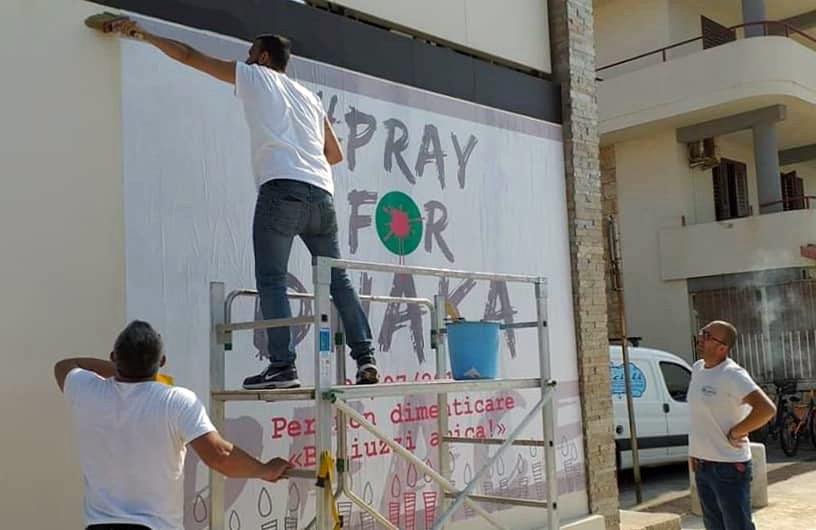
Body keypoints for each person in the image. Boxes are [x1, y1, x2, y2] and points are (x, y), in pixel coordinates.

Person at [105, 18, 379, 389]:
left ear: (264, 57)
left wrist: (142, 34)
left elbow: (189, 55)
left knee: (272, 280)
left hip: (281, 190)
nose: (246, 61)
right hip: (322, 195)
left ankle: (283, 367)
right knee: (337, 281)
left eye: (250, 55)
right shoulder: (310, 98)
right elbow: (334, 153)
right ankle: (366, 358)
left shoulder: (256, 77)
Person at [55, 321, 292, 530]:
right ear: (162, 362)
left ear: (114, 357)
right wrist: (264, 469)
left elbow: (66, 364)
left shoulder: (86, 390)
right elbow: (220, 456)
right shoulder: (176, 400)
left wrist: (120, 369)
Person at [688, 320, 776, 530]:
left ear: (722, 348)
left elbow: (766, 409)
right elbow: (700, 417)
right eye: (703, 332)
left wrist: (737, 431)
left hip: (728, 468)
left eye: (708, 336)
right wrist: (695, 452)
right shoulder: (698, 368)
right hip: (703, 465)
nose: (701, 338)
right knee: (713, 526)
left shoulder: (732, 374)